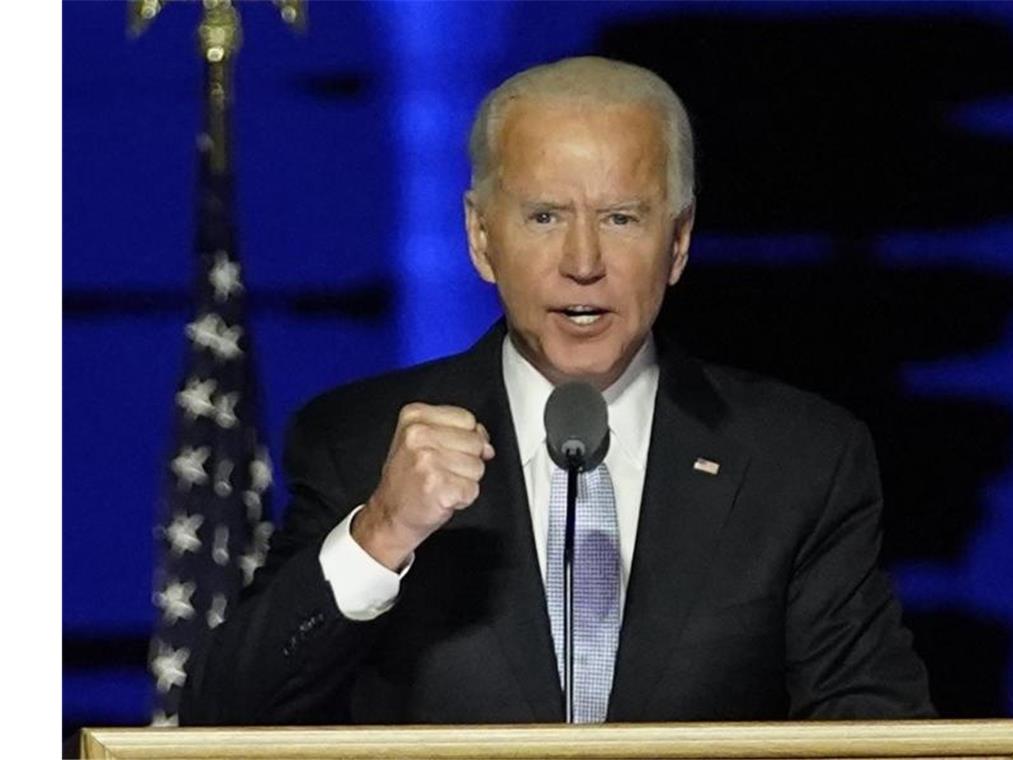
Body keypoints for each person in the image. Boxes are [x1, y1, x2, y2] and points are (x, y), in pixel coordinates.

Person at [180, 56, 934, 725]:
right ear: (481, 238)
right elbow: (224, 717)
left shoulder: (800, 459)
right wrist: (380, 534)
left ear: (677, 242)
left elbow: (877, 731)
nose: (583, 262)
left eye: (620, 217)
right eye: (544, 216)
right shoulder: (357, 440)